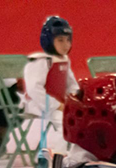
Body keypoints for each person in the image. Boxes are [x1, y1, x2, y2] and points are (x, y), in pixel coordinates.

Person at [24, 16, 79, 156]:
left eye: (68, 40)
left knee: (81, 119)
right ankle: (58, 157)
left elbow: (72, 84)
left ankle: (75, 156)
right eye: (60, 40)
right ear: (48, 40)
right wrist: (55, 105)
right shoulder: (41, 62)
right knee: (66, 124)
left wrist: (76, 98)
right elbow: (34, 89)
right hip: (39, 104)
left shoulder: (64, 60)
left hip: (60, 104)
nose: (65, 44)